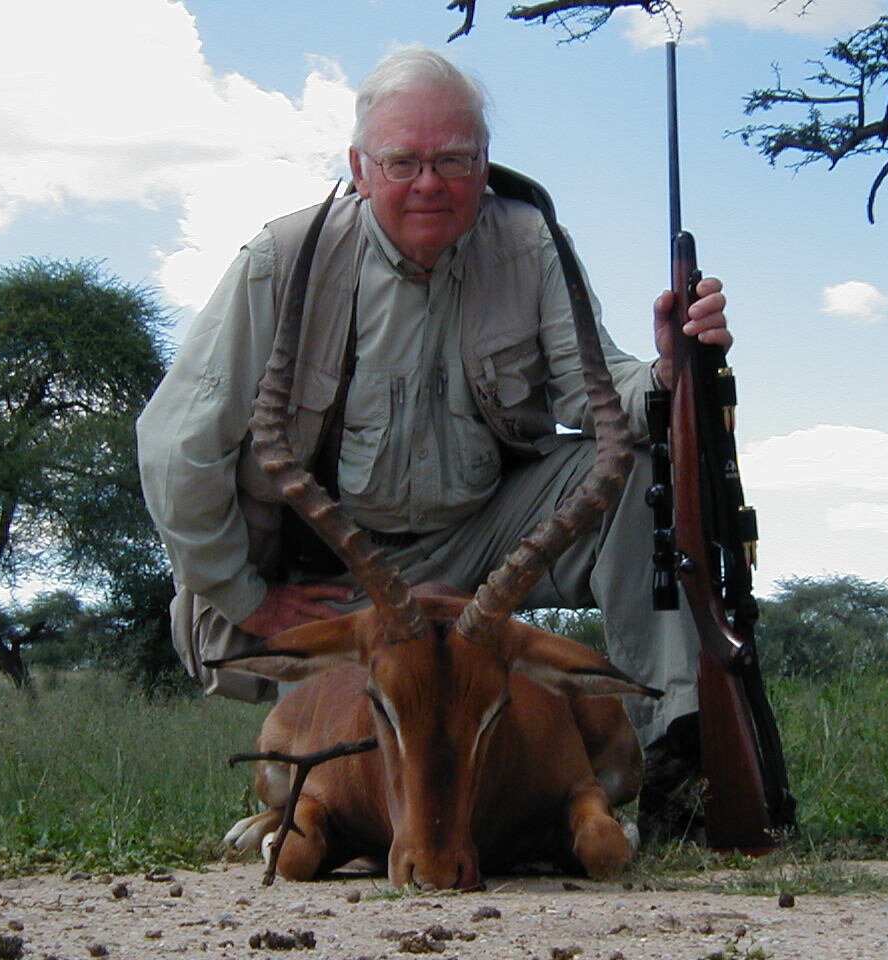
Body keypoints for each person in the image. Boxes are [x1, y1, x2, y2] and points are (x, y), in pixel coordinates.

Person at [136, 48, 730, 836]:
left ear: (485, 166)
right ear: (359, 166)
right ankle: (318, 808)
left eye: (455, 159)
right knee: (377, 732)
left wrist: (665, 373)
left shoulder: (530, 243)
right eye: (403, 161)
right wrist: (252, 599)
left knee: (647, 465)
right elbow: (175, 446)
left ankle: (678, 760)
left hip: (487, 546)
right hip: (341, 577)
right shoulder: (282, 260)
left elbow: (600, 400)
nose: (430, 183)